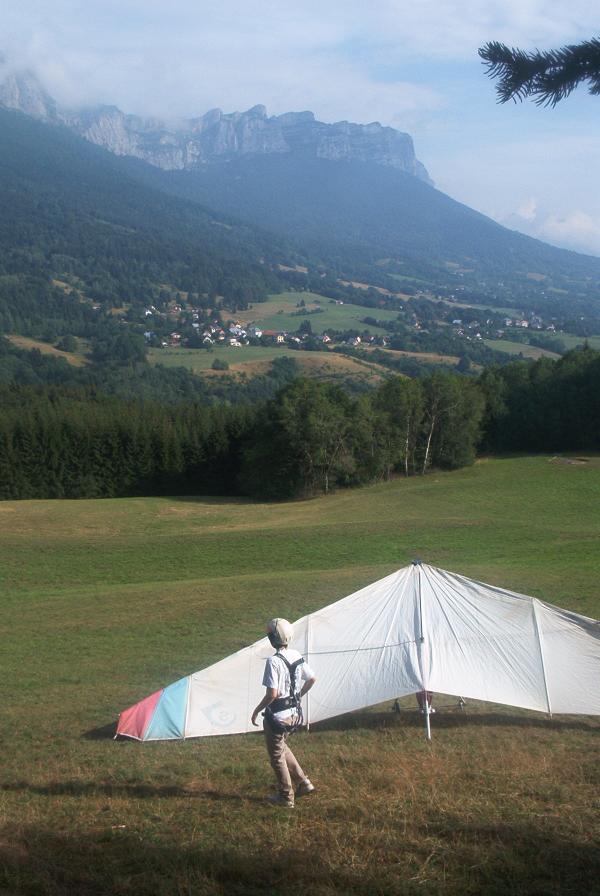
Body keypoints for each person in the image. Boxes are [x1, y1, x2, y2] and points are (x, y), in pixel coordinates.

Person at [251, 617, 316, 809]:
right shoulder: (296, 655)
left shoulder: (273, 661)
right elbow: (312, 679)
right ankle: (304, 783)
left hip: (277, 717)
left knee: (276, 757)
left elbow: (272, 694)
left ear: (272, 639)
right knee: (281, 747)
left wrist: (257, 710)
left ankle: (286, 797)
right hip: (294, 715)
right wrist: (298, 696)